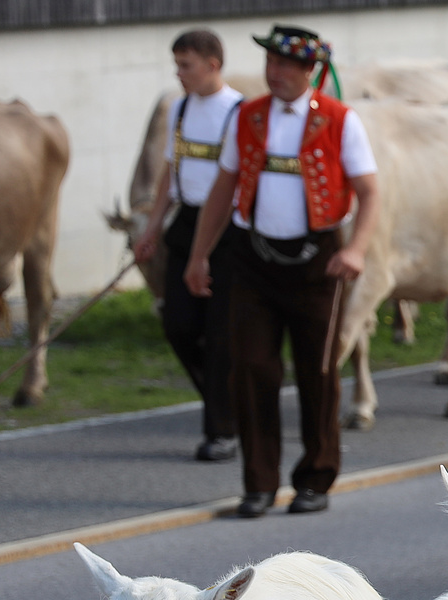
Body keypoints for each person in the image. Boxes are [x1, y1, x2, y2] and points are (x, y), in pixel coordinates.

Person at [183, 25, 380, 518]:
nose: (277, 73)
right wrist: (198, 254)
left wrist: (356, 248)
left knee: (318, 371)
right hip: (253, 259)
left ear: (309, 70)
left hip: (318, 261)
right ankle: (260, 483)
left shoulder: (339, 119)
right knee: (251, 369)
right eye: (272, 63)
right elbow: (224, 187)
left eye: (288, 64)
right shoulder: (247, 116)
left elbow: (370, 191)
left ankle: (315, 476)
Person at [133, 29, 244, 463]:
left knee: (219, 335)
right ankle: (228, 402)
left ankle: (222, 430)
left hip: (228, 231)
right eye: (177, 65)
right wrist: (151, 230)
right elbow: (169, 176)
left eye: (187, 65)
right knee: (178, 325)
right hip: (186, 225)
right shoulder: (179, 109)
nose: (179, 74)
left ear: (213, 65)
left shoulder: (237, 112)